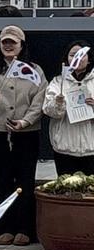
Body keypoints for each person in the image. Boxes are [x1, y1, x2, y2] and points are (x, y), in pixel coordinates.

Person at [0, 25, 46, 245]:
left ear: (21, 45)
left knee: (25, 179)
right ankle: (4, 226)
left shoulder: (34, 69)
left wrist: (25, 121)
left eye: (12, 42)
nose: (8, 46)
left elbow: (40, 99)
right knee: (3, 179)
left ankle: (26, 228)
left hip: (26, 132)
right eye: (4, 42)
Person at [44, 42, 94, 176]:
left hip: (92, 148)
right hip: (65, 148)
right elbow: (49, 111)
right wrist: (58, 103)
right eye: (73, 55)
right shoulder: (58, 82)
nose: (77, 58)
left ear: (89, 59)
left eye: (82, 55)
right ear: (67, 59)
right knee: (65, 191)